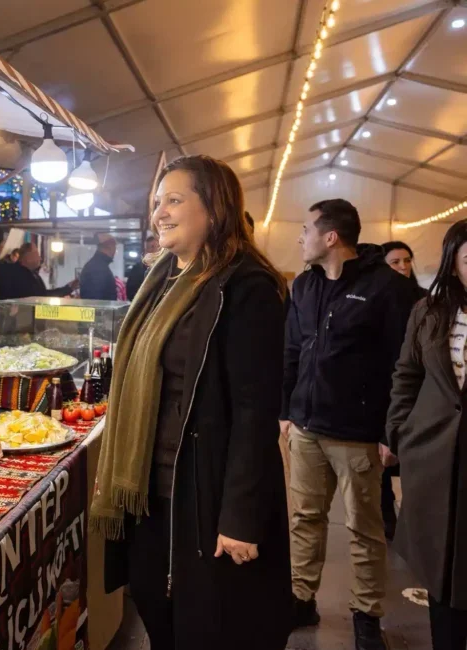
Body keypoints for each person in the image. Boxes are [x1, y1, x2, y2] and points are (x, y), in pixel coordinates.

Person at [96, 155, 292, 650]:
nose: (159, 212)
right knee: (155, 606)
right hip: (147, 489)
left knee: (208, 625)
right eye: (158, 201)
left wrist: (241, 517)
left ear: (215, 209)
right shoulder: (160, 281)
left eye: (175, 200)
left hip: (204, 490)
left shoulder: (246, 287)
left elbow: (255, 410)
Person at [281, 199, 419, 649]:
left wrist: (389, 431)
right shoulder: (303, 286)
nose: (300, 237)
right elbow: (292, 350)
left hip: (358, 433)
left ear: (331, 237)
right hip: (306, 425)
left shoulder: (386, 289)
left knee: (364, 529)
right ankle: (302, 597)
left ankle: (366, 614)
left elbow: (405, 365)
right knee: (304, 517)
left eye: (306, 229)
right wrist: (286, 409)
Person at [388, 220, 467, 650]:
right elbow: (407, 374)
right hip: (434, 455)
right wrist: (400, 433)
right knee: (440, 566)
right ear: (453, 263)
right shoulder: (430, 312)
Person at [379, 240, 427, 541]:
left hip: (421, 395)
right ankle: (388, 521)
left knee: (416, 466)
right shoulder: (379, 302)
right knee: (383, 469)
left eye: (407, 260)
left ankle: (413, 525)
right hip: (386, 392)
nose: (403, 267)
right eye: (395, 262)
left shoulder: (425, 301)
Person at [0, 242, 76, 301]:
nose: (40, 258)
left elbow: (43, 294)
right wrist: (67, 289)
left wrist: (68, 288)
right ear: (28, 257)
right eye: (37, 254)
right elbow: (42, 296)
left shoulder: (33, 274)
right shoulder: (17, 274)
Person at [80, 235, 118, 300]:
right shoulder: (98, 268)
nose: (115, 252)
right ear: (110, 247)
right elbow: (96, 299)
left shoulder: (96, 265)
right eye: (115, 248)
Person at [125, 234, 160, 299]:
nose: (156, 250)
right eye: (152, 247)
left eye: (159, 247)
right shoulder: (137, 269)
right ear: (146, 250)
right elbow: (131, 293)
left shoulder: (165, 267)